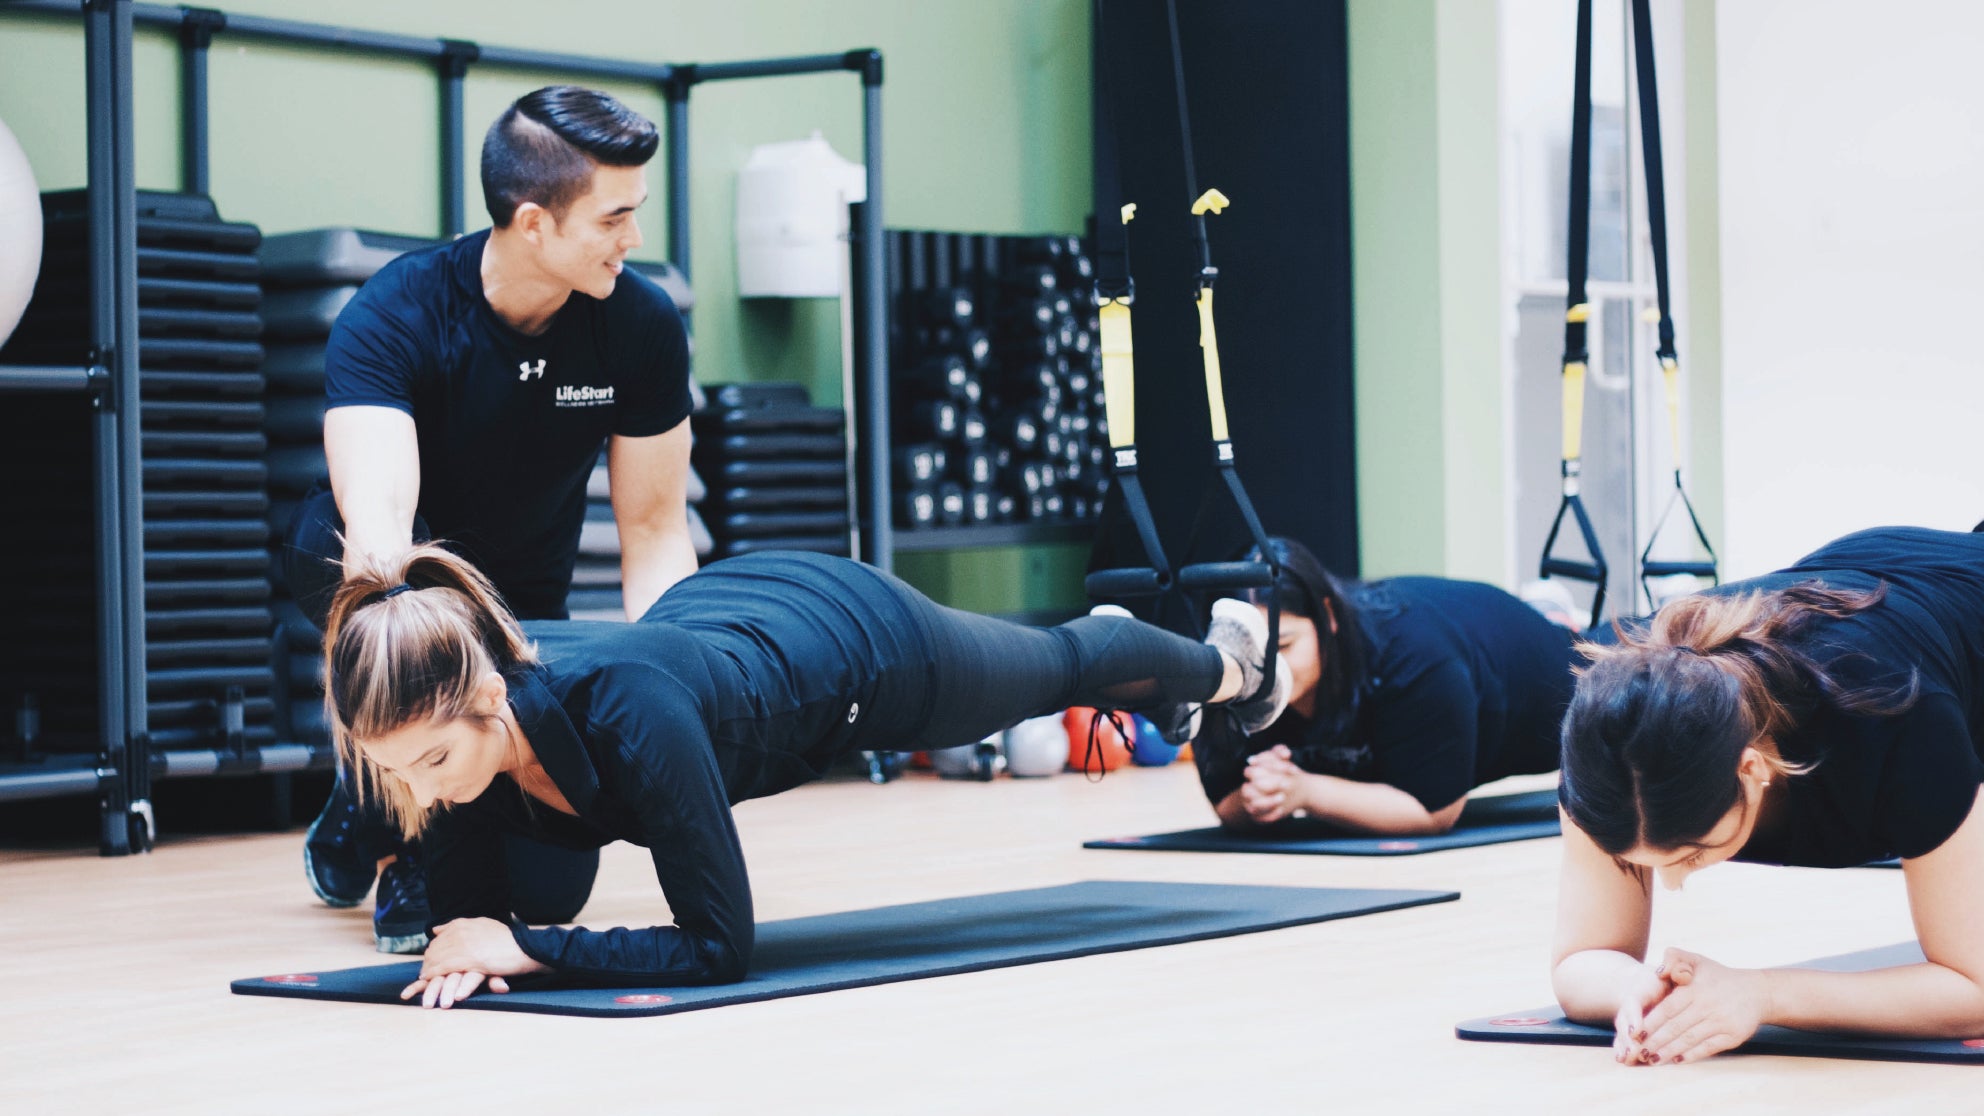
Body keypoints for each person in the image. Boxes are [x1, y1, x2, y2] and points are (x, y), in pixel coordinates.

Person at [322, 546, 1290, 1008]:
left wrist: (530, 948)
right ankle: (1190, 680)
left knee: (1053, 669)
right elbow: (463, 930)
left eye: (437, 762)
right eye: (399, 772)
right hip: (723, 618)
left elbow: (717, 947)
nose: (430, 791)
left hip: (857, 648)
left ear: (490, 700)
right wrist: (476, 943)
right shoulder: (438, 741)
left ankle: (1231, 662)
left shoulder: (630, 715)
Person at [287, 85, 697, 952]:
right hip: (385, 577)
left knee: (552, 894)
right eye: (614, 217)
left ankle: (363, 795)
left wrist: (688, 675)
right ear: (534, 222)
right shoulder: (396, 315)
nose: (636, 240)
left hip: (522, 606)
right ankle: (404, 842)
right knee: (366, 585)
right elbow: (381, 536)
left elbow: (656, 532)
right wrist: (441, 682)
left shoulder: (639, 326)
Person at [1552, 525, 1984, 1066]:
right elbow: (1582, 959)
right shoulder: (1616, 732)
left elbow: (1977, 988)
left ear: (1752, 768)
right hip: (1891, 587)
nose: (1673, 882)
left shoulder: (1894, 713)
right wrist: (1638, 991)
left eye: (1692, 855)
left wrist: (1763, 993)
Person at [1188, 538, 1577, 834]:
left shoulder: (1411, 655)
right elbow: (1227, 801)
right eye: (1253, 651)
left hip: (1555, 672)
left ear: (1327, 617)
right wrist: (1264, 791)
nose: (1269, 671)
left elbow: (1432, 811)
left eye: (1285, 646)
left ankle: (1563, 617)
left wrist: (1305, 792)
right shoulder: (1230, 670)